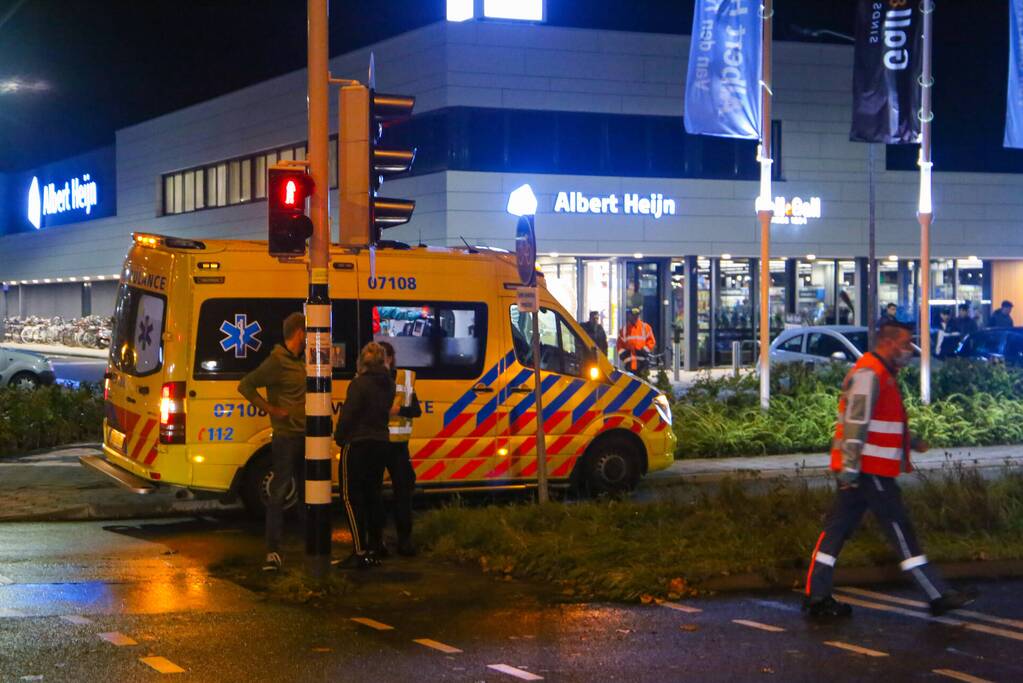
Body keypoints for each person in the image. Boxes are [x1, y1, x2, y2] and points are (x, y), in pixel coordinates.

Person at [803, 322, 978, 618]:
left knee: (836, 532)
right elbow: (856, 425)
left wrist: (911, 442)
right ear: (887, 342)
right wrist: (850, 470)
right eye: (906, 343)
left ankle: (817, 596)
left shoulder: (879, 374)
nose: (910, 350)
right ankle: (937, 594)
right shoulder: (871, 374)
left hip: (861, 470)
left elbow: (877, 422)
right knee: (899, 529)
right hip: (870, 470)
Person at [237, 312, 306, 573]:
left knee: (308, 494)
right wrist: (272, 410)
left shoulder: (302, 360)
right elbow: (246, 385)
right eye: (307, 332)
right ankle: (273, 549)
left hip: (306, 435)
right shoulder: (277, 361)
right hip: (287, 436)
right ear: (299, 332)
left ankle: (310, 548)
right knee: (279, 493)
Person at [334, 342, 395, 569]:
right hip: (381, 443)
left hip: (358, 443)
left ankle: (359, 551)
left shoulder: (359, 384)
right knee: (373, 495)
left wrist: (340, 437)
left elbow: (348, 415)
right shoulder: (389, 384)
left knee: (350, 497)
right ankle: (376, 546)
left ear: (362, 362)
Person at [373, 341, 422, 557]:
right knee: (374, 494)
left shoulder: (404, 379)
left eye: (383, 356)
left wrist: (399, 409)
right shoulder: (368, 379)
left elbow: (416, 410)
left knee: (403, 493)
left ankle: (404, 541)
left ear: (391, 358)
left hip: (398, 447)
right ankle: (377, 542)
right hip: (376, 443)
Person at [617, 307, 655, 373]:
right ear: (629, 316)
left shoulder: (646, 327)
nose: (635, 317)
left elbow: (651, 341)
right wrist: (623, 353)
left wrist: (644, 350)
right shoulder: (624, 330)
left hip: (643, 364)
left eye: (637, 315)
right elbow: (620, 345)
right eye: (633, 315)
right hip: (629, 364)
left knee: (641, 378)